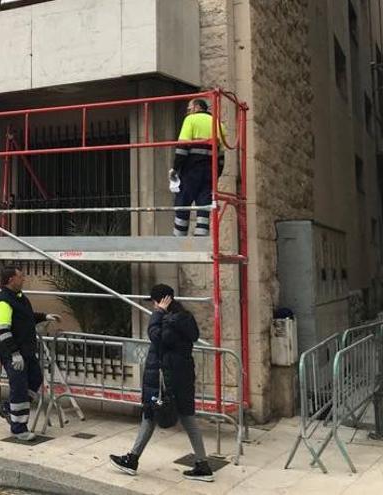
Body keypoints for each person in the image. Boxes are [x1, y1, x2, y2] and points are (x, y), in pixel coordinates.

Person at [109, 284, 214, 482]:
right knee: (181, 417)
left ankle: (133, 460)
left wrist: (158, 314)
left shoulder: (170, 321)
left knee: (151, 413)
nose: (153, 306)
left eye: (155, 302)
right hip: (180, 376)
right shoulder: (184, 318)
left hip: (165, 378)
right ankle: (202, 464)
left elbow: (157, 338)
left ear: (162, 301)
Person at [0, 266, 61, 441]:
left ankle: (9, 409)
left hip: (27, 352)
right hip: (14, 354)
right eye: (20, 277)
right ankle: (18, 428)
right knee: (19, 388)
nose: (23, 279)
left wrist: (45, 316)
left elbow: (27, 316)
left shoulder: (20, 298)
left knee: (35, 379)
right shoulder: (2, 302)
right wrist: (14, 353)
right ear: (10, 280)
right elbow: (3, 331)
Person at [172, 99, 225, 237]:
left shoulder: (191, 120)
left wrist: (175, 168)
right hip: (209, 172)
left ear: (196, 107)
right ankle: (201, 239)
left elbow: (182, 148)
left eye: (189, 108)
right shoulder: (219, 124)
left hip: (191, 170)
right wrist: (216, 175)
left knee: (182, 203)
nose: (189, 111)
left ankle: (179, 240)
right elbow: (221, 157)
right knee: (204, 206)